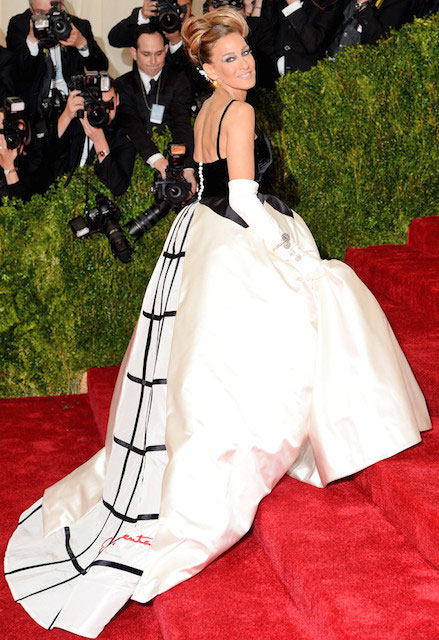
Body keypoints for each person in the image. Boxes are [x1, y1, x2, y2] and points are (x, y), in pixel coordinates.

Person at [4, 8, 431, 638]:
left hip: (199, 238)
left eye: (246, 54)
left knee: (215, 363)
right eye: (229, 59)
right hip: (237, 235)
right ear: (204, 67)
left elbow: (207, 189)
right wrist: (291, 254)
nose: (246, 65)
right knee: (311, 309)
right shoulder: (242, 111)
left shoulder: (207, 109)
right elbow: (240, 198)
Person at [116, 25, 196, 193]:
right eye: (146, 54)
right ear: (133, 53)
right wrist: (158, 161)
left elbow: (182, 123)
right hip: (134, 162)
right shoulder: (123, 85)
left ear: (166, 50)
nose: (153, 61)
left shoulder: (179, 80)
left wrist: (187, 168)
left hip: (173, 156)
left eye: (159, 53)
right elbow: (132, 126)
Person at [6, 0, 108, 119]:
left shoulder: (78, 25)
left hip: (73, 105)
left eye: (53, 10)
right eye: (40, 12)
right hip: (34, 109)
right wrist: (32, 41)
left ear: (61, 3)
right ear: (31, 9)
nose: (48, 17)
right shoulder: (19, 25)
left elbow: (102, 67)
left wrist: (81, 44)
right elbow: (16, 73)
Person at [54, 81, 137, 196]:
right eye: (98, 105)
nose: (105, 111)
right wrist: (67, 115)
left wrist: (99, 142)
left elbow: (118, 187)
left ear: (117, 100)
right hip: (58, 195)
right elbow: (46, 154)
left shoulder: (124, 134)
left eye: (109, 104)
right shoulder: (76, 120)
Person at [274, 0, 343, 73]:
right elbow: (267, 33)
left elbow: (312, 43)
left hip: (306, 75)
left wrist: (293, 5)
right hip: (273, 74)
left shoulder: (330, 4)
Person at [328, 0, 411, 58]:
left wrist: (363, 6)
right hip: (327, 57)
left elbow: (379, 39)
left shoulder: (396, 3)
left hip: (355, 68)